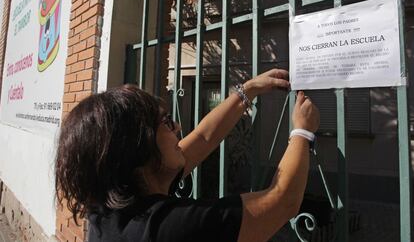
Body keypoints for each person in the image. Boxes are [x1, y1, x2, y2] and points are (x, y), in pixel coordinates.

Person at [55, 68, 320, 242]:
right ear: (138, 149)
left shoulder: (108, 210)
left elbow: (204, 138)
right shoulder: (169, 228)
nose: (178, 128)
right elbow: (281, 201)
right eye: (166, 123)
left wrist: (247, 90)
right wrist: (303, 132)